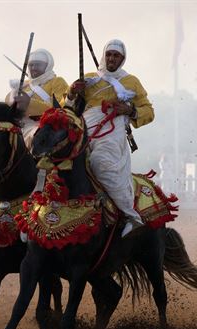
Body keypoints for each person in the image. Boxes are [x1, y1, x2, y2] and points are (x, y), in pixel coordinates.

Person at [65, 39, 154, 237]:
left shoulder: (131, 81)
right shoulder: (88, 78)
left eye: (116, 56)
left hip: (112, 130)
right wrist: (72, 92)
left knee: (99, 162)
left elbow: (148, 111)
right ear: (104, 56)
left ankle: (131, 216)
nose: (111, 58)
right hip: (85, 128)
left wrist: (129, 109)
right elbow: (67, 108)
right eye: (109, 55)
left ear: (122, 59)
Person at [5, 48, 69, 149]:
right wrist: (13, 94)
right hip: (20, 124)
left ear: (47, 65)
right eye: (31, 65)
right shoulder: (23, 85)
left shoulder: (57, 81)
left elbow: (61, 108)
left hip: (46, 126)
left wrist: (29, 103)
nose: (33, 68)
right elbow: (7, 104)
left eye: (38, 64)